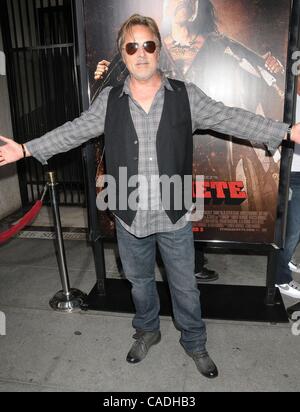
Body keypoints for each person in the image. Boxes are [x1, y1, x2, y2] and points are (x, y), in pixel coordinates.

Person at [1, 14, 299, 379]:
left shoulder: (185, 95)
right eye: (132, 46)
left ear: (158, 49)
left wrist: (286, 131)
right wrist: (26, 149)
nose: (140, 53)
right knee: (139, 283)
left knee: (185, 287)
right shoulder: (108, 101)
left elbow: (231, 118)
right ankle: (147, 330)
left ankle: (194, 341)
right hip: (129, 216)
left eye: (148, 45)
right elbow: (74, 131)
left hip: (173, 215)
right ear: (123, 55)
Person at [94, 0, 285, 282]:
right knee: (139, 213)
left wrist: (274, 74)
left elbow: (236, 105)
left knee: (185, 213)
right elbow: (98, 112)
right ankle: (137, 266)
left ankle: (189, 265)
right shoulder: (147, 50)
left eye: (191, 0)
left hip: (199, 146)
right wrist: (99, 79)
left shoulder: (217, 44)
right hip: (147, 154)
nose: (184, 3)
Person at [276, 76, 300, 299]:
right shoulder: (287, 102)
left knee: (295, 229)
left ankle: (286, 260)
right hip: (291, 173)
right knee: (291, 229)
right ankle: (280, 278)